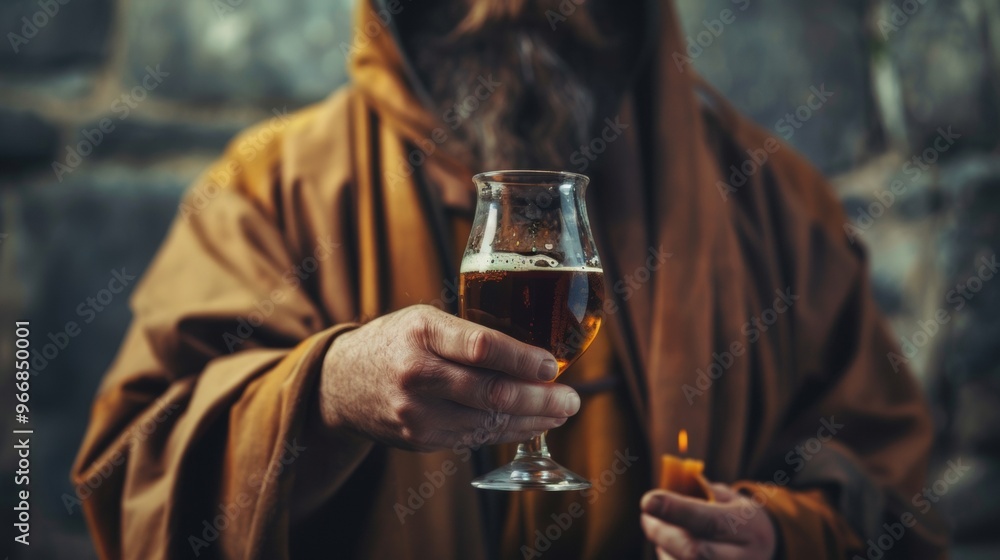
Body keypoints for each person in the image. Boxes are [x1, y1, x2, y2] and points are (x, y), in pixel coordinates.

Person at [72, 0, 949, 558]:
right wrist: (325, 391)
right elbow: (133, 475)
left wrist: (783, 535)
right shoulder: (270, 189)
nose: (513, 4)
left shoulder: (771, 199)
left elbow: (888, 482)